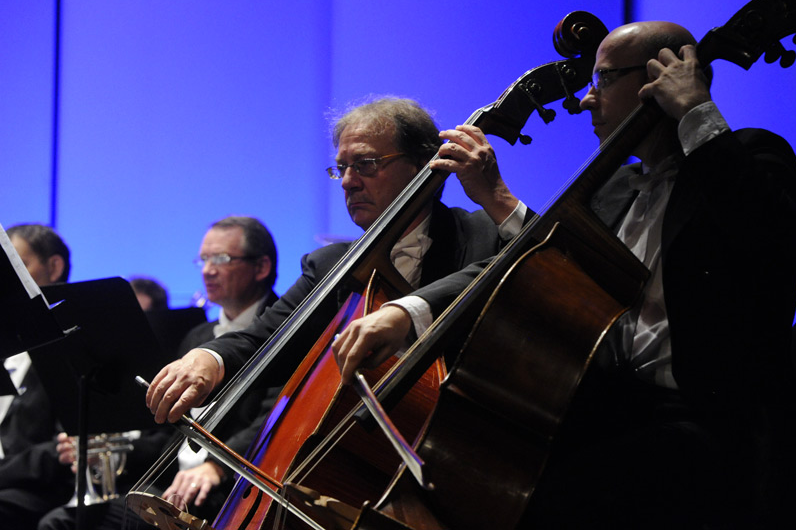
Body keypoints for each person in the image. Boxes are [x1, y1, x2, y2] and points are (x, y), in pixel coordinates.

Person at [332, 22, 796, 529]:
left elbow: (764, 230)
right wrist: (409, 312)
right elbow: (543, 264)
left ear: (662, 77)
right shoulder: (614, 186)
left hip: (708, 425)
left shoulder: (751, 157)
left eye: (602, 80)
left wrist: (695, 111)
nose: (586, 99)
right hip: (610, 411)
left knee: (540, 498)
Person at [146, 96, 524, 436]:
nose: (347, 182)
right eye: (341, 167)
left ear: (423, 165)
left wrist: (498, 196)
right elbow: (264, 339)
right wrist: (208, 358)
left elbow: (556, 265)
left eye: (366, 164)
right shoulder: (330, 265)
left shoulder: (485, 235)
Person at [38, 215, 283, 530]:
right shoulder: (198, 338)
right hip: (171, 488)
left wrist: (216, 466)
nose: (208, 270)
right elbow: (167, 433)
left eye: (221, 259)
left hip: (232, 491)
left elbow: (276, 418)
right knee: (61, 522)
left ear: (261, 267)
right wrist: (113, 454)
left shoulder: (286, 334)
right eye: (204, 259)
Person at [0, 225, 73, 529]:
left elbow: (62, 446)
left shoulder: (71, 344)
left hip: (35, 490)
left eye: (19, 266)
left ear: (54, 267)